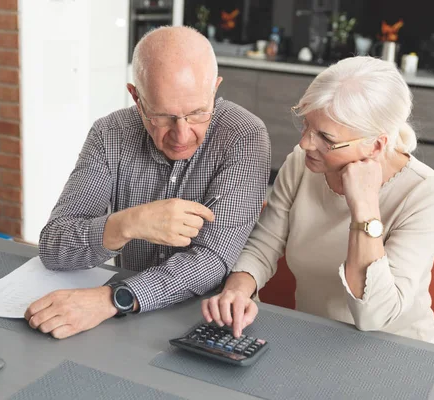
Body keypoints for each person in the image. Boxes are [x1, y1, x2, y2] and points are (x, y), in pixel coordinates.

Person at [25, 26, 271, 339]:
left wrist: (114, 298)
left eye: (197, 114)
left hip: (212, 320)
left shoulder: (245, 136)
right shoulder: (109, 134)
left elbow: (212, 261)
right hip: (125, 325)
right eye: (163, 116)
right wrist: (127, 224)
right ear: (136, 98)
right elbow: (53, 246)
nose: (182, 135)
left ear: (215, 89)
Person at [202, 56, 434, 344]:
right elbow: (265, 244)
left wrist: (365, 207)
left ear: (376, 145)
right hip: (315, 339)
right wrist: (237, 289)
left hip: (395, 348)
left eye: (325, 137)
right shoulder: (302, 164)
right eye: (306, 125)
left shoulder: (426, 193)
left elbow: (375, 316)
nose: (305, 143)